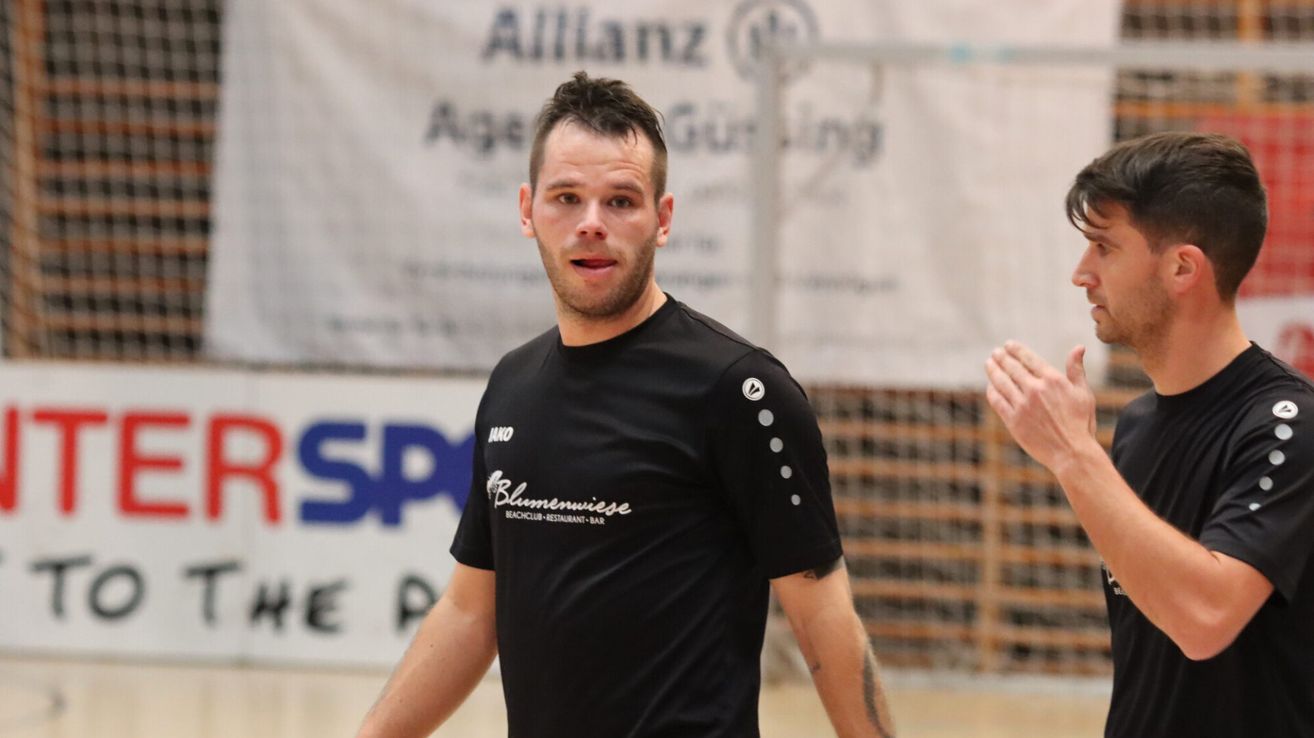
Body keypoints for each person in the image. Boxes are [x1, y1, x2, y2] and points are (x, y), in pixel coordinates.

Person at [357, 72, 896, 738]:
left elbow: (822, 621)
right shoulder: (512, 385)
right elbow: (472, 613)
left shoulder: (739, 390)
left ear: (662, 219)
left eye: (620, 201)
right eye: (566, 198)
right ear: (527, 211)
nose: (591, 224)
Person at [985, 132, 1314, 737]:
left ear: (1182, 267)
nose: (1083, 274)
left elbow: (1206, 618)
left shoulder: (1290, 426)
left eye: (1104, 249)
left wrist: (1073, 455)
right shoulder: (1135, 427)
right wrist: (1080, 458)